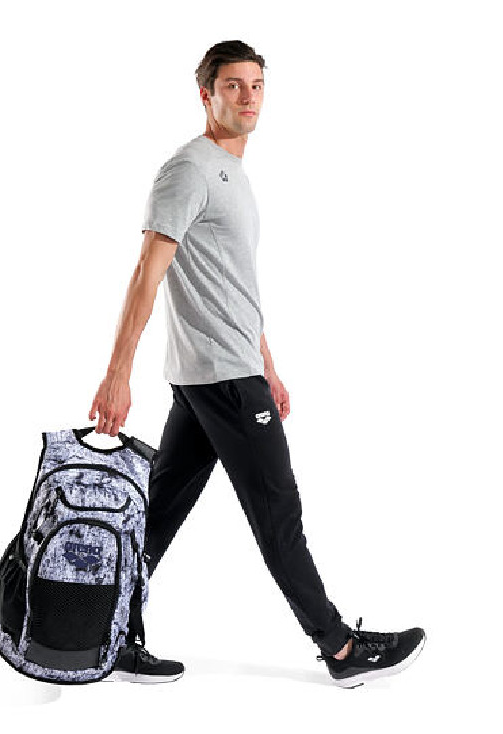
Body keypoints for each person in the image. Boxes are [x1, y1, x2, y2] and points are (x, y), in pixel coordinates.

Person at [89, 40, 426, 689]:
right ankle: (341, 649)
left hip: (216, 376)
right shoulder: (189, 170)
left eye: (257, 85)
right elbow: (146, 273)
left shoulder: (231, 172)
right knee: (278, 514)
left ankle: (103, 631)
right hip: (221, 379)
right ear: (206, 95)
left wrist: (267, 361)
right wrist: (116, 373)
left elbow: (230, 281)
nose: (248, 97)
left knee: (158, 513)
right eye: (233, 86)